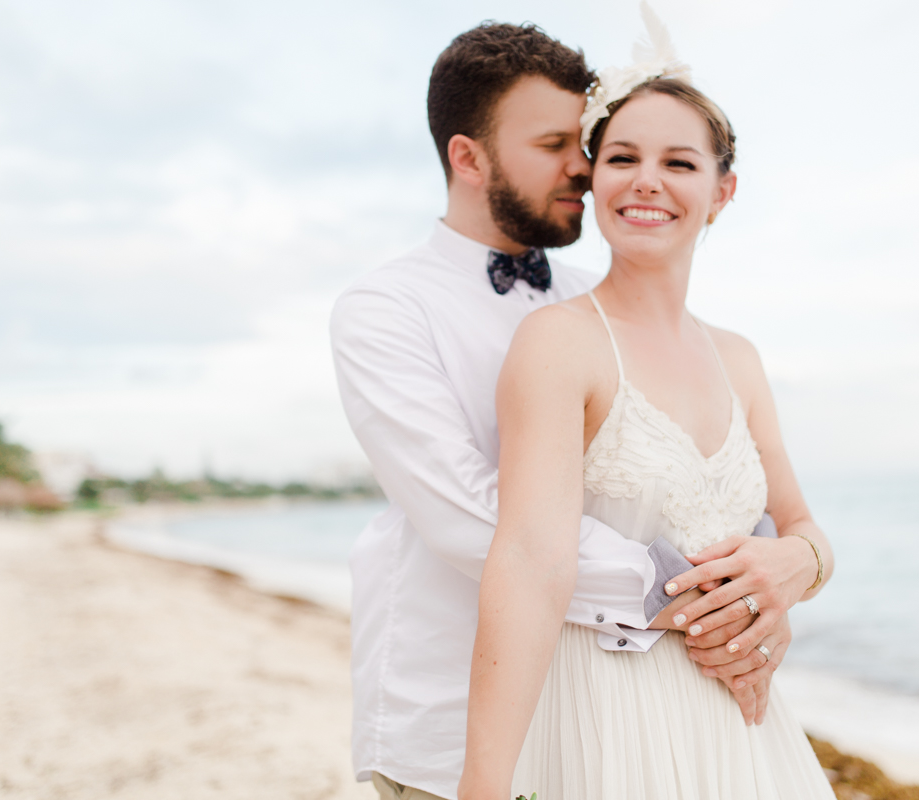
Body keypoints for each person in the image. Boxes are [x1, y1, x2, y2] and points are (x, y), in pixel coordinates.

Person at [331, 21, 793, 800]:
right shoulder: (385, 310)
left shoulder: (598, 300)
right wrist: (688, 592)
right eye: (555, 146)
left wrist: (771, 577)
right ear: (468, 157)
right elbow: (472, 517)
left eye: (584, 143)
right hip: (445, 716)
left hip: (614, 708)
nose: (584, 168)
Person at [457, 10, 836, 800]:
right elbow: (529, 561)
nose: (647, 181)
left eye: (679, 162)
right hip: (607, 717)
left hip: (741, 728)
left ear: (722, 191)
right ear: (594, 179)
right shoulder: (558, 342)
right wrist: (483, 785)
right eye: (622, 157)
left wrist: (795, 568)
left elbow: (800, 526)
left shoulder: (740, 358)